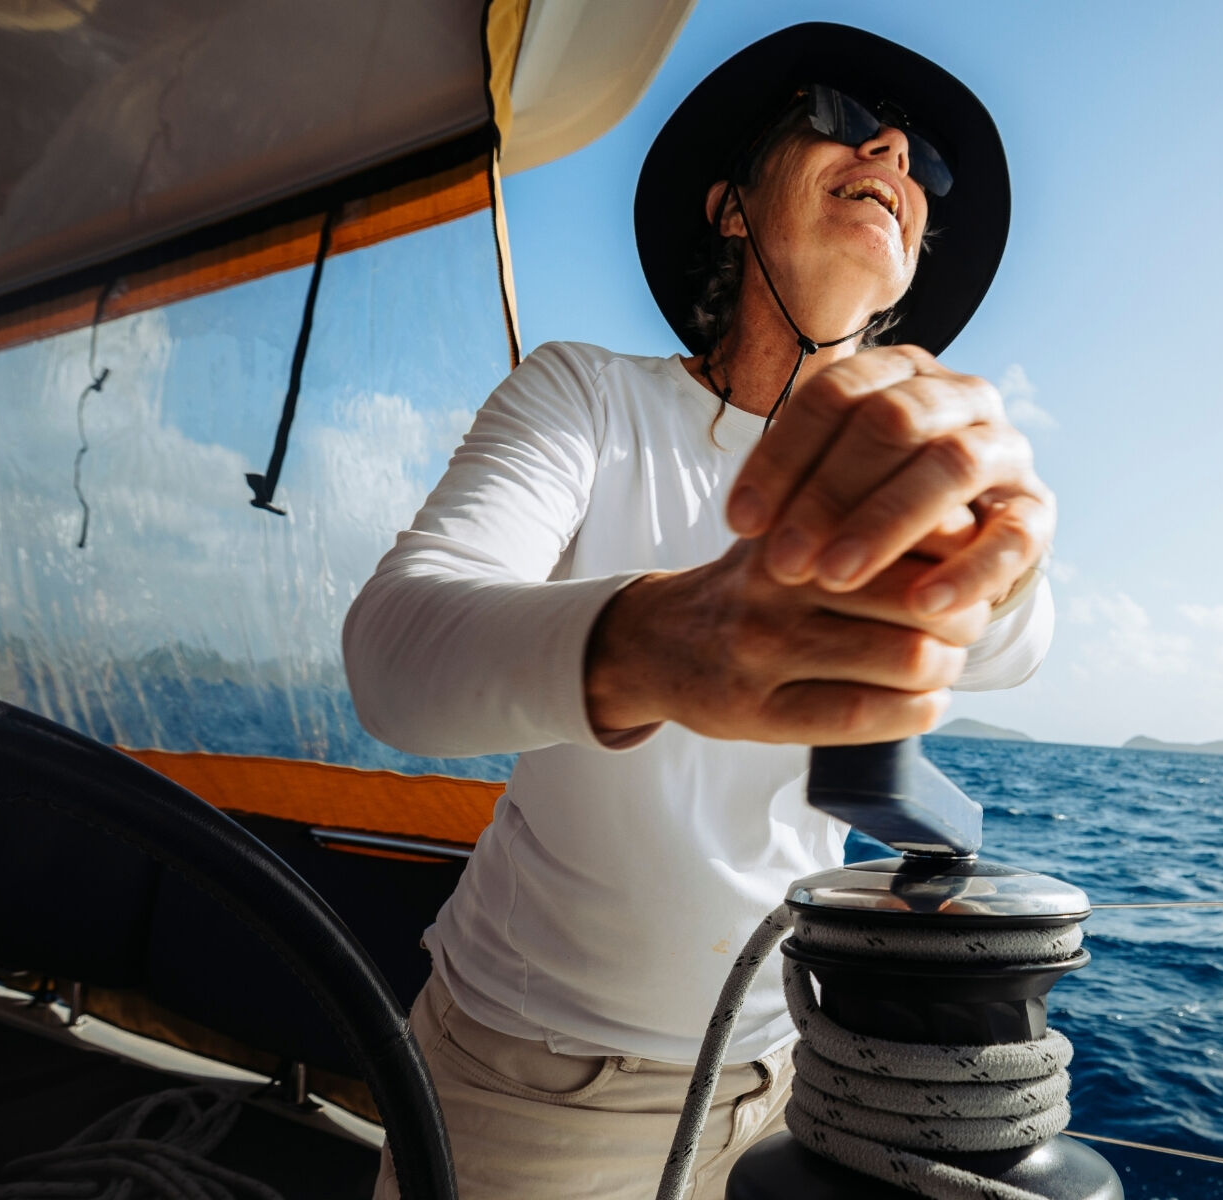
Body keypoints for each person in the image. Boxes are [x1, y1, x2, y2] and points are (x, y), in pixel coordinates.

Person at [344, 24, 1051, 1198]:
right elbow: (398, 656)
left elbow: (1016, 647)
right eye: (837, 114)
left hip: (791, 1077)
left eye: (924, 164)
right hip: (537, 1086)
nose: (892, 148)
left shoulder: (910, 483)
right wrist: (667, 643)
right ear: (730, 209)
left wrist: (1002, 557)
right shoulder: (585, 397)